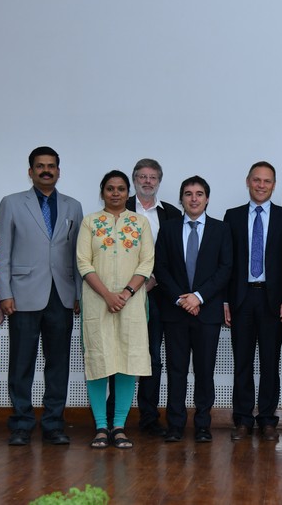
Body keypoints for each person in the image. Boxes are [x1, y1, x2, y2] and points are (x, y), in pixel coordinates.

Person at [0, 146, 84, 446]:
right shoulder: (11, 203)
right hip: (22, 296)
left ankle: (53, 424)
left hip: (62, 295)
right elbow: (3, 253)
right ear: (30, 171)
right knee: (21, 363)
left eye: (51, 166)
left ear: (58, 171)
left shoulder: (73, 206)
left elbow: (77, 256)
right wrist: (4, 293)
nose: (46, 170)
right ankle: (21, 424)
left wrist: (79, 294)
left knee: (58, 364)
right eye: (40, 166)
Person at [76, 170, 154, 449]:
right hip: (97, 302)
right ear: (102, 192)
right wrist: (108, 295)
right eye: (110, 188)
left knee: (127, 362)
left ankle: (119, 426)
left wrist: (125, 293)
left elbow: (147, 262)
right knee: (99, 361)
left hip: (131, 304)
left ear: (128, 192)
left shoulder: (140, 222)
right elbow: (83, 262)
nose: (116, 193)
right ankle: (101, 426)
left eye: (121, 188)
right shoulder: (90, 222)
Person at [153, 176, 232, 443]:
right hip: (175, 312)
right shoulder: (169, 229)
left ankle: (202, 425)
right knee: (176, 370)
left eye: (199, 194)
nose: (194, 198)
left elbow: (225, 268)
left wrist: (198, 297)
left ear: (207, 199)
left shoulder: (221, 229)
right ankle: (175, 424)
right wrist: (182, 299)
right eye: (188, 194)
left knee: (204, 371)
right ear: (181, 199)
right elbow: (161, 267)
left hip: (207, 313)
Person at [224, 162, 282, 441]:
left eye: (267, 181)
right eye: (257, 180)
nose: (261, 185)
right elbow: (226, 263)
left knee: (270, 362)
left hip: (273, 300)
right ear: (248, 182)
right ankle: (242, 419)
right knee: (242, 362)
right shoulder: (232, 216)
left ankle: (268, 419)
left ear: (274, 185)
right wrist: (225, 302)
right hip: (241, 299)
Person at [118, 158, 181, 437]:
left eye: (152, 177)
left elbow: (175, 255)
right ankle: (115, 417)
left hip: (159, 295)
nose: (147, 181)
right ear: (134, 180)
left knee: (152, 358)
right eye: (142, 176)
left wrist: (154, 280)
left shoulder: (172, 214)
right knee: (120, 354)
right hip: (123, 294)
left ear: (159, 181)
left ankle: (149, 417)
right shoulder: (120, 208)